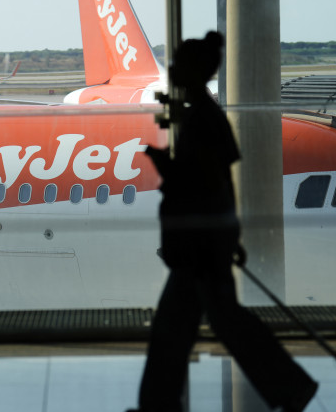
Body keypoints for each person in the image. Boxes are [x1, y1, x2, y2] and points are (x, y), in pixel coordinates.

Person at [129, 32, 318, 412]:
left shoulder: (201, 118)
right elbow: (219, 183)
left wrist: (164, 164)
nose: (172, 70)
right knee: (209, 326)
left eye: (178, 64)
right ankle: (289, 387)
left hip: (199, 247)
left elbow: (199, 183)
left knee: (185, 331)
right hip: (206, 242)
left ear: (193, 71)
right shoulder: (205, 114)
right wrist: (230, 236)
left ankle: (290, 386)